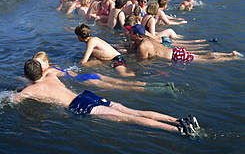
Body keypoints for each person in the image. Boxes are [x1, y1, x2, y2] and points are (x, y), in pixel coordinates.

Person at [14, 59, 201, 136]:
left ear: (27, 77)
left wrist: (20, 90)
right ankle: (179, 121)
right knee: (134, 111)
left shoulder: (29, 91)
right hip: (86, 95)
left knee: (132, 119)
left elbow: (12, 100)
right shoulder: (51, 75)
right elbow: (53, 71)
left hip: (79, 106)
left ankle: (179, 131)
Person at [32, 51, 176, 93]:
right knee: (122, 82)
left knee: (120, 87)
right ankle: (164, 85)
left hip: (87, 80)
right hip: (91, 76)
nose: (36, 66)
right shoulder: (55, 67)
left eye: (38, 63)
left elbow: (37, 82)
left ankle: (161, 90)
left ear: (46, 62)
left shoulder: (48, 70)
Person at [126, 24, 242, 63]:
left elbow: (142, 63)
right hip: (176, 50)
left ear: (136, 35)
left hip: (176, 57)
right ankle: (228, 54)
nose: (128, 33)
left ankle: (231, 58)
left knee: (204, 60)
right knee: (201, 57)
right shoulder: (147, 39)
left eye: (130, 32)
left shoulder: (143, 46)